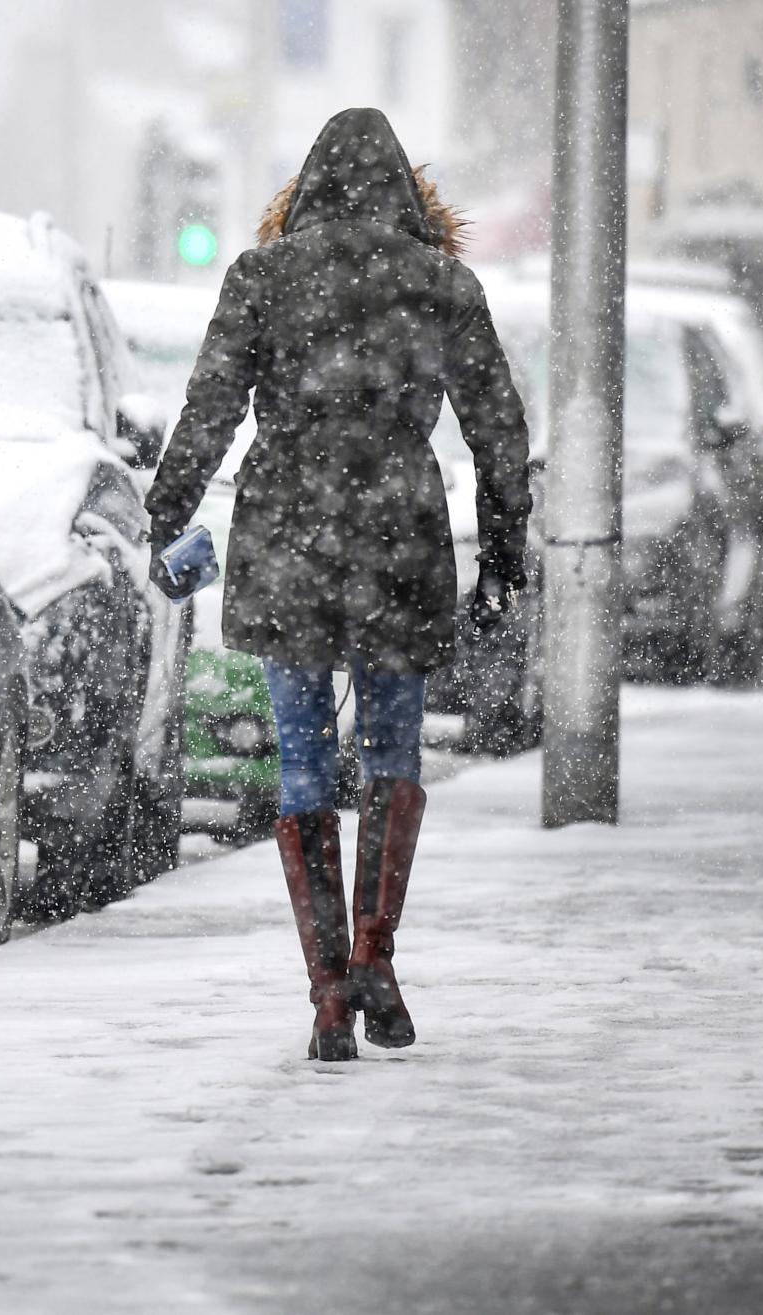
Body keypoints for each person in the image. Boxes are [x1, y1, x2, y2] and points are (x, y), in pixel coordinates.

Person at [145, 108, 530, 1062]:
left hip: (290, 531)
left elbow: (208, 408)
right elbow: (499, 431)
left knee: (305, 763)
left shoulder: (262, 278)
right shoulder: (442, 284)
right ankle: (376, 957)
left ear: (305, 191)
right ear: (409, 191)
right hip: (399, 531)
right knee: (393, 758)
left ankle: (325, 997)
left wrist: (168, 512)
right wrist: (505, 554)